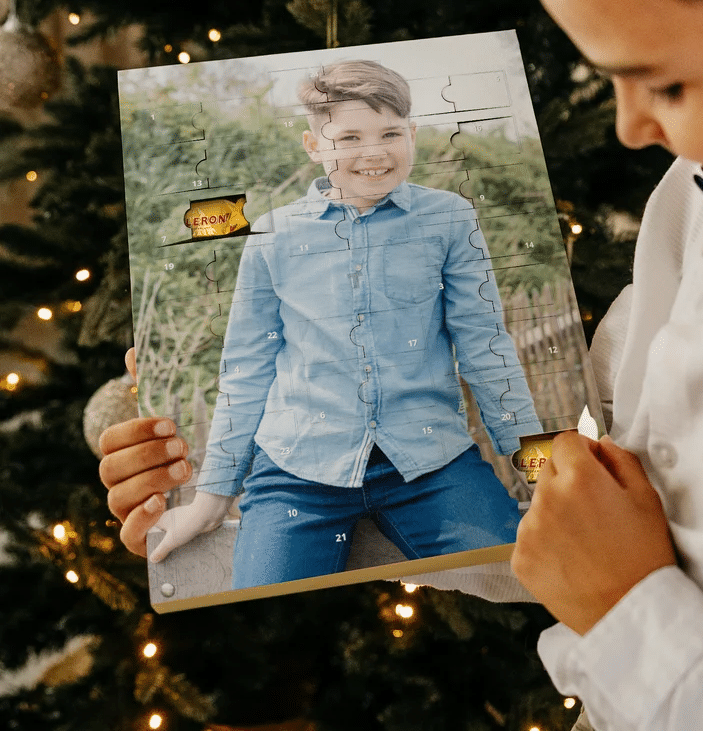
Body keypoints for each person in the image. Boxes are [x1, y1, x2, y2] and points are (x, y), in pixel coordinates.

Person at [100, 0, 703, 728]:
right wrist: (200, 489)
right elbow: (593, 495)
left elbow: (593, 544)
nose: (634, 129)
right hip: (311, 466)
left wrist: (627, 610)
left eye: (666, 83)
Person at [101, 59, 541, 589]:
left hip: (433, 464)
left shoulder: (448, 218)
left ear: (414, 135)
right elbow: (246, 368)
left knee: (526, 574)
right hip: (295, 473)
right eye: (349, 136)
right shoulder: (272, 234)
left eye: (390, 133)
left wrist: (542, 471)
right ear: (314, 145)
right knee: (266, 595)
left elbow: (486, 346)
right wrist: (213, 496)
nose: (373, 151)